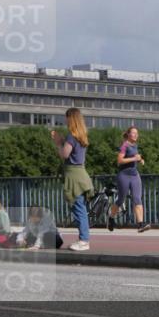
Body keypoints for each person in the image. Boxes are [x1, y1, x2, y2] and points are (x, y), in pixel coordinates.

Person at [51, 107, 94, 251]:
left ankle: (84, 240)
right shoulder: (81, 136)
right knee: (81, 208)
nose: (65, 121)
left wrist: (58, 142)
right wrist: (63, 140)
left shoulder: (71, 136)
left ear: (71, 119)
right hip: (81, 174)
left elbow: (64, 154)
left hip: (74, 176)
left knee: (79, 209)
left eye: (67, 118)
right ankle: (83, 239)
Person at [108, 126, 151, 233]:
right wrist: (134, 158)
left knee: (137, 198)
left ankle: (140, 224)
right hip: (124, 175)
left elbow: (136, 156)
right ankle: (111, 218)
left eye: (137, 133)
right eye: (133, 133)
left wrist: (141, 159)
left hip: (135, 175)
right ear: (128, 134)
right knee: (121, 200)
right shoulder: (124, 145)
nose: (136, 135)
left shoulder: (135, 145)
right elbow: (119, 160)